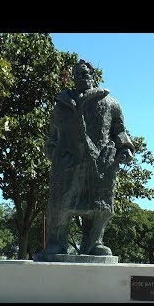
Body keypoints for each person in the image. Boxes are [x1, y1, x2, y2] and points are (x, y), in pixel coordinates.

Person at [41, 59, 135, 257]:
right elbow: (53, 134)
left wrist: (125, 148)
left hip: (101, 161)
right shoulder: (62, 104)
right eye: (77, 74)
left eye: (85, 73)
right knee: (60, 205)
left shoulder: (110, 103)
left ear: (93, 76)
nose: (81, 77)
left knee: (100, 206)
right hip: (67, 160)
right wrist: (51, 149)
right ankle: (56, 245)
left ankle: (94, 244)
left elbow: (119, 131)